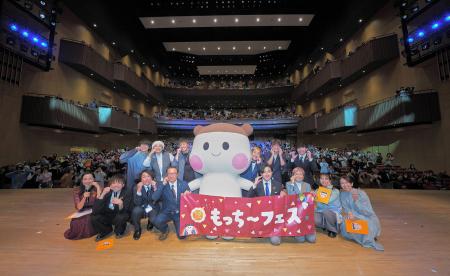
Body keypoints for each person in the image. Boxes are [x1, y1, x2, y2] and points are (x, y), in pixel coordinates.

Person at [339, 176, 384, 251]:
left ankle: (368, 235)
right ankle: (363, 234)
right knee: (344, 224)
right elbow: (346, 208)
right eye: (342, 183)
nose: (344, 185)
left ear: (352, 183)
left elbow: (368, 211)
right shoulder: (342, 195)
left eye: (347, 182)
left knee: (366, 225)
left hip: (365, 216)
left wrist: (356, 201)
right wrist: (349, 213)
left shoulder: (361, 193)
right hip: (353, 215)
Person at [249, 166, 286, 246]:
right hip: (261, 216)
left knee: (275, 241)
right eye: (264, 172)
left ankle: (272, 232)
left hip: (274, 217)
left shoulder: (278, 184)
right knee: (257, 236)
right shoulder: (257, 184)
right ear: (261, 174)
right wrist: (254, 185)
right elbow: (248, 198)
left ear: (272, 173)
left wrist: (283, 194)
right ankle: (263, 230)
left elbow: (283, 202)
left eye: (269, 171)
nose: (267, 174)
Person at [152, 167, 190, 240]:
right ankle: (165, 229)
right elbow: (154, 197)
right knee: (156, 221)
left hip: (179, 213)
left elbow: (189, 200)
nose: (171, 176)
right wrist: (163, 184)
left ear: (177, 174)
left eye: (174, 173)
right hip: (167, 211)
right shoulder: (162, 184)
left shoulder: (184, 184)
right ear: (167, 175)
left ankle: (180, 225)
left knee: (182, 236)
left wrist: (188, 195)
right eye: (169, 173)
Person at [91, 175, 132, 241]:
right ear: (110, 185)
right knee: (94, 217)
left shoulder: (127, 192)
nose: (115, 185)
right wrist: (103, 194)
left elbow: (126, 211)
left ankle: (119, 231)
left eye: (118, 183)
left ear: (123, 185)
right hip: (107, 214)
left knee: (121, 217)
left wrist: (121, 204)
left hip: (119, 214)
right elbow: (95, 210)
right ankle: (105, 231)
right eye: (113, 183)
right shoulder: (106, 191)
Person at [64, 172, 102, 240]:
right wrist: (84, 197)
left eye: (90, 178)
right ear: (82, 180)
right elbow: (79, 207)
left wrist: (98, 187)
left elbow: (99, 203)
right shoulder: (77, 190)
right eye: (85, 179)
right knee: (76, 222)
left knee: (88, 220)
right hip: (83, 210)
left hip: (95, 209)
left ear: (94, 180)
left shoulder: (97, 188)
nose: (88, 181)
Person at [285, 167, 316, 243]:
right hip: (295, 211)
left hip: (305, 212)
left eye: (301, 174)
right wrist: (292, 183)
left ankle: (308, 230)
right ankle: (297, 231)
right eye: (296, 174)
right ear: (293, 175)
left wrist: (313, 196)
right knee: (301, 240)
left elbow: (308, 200)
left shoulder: (307, 185)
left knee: (312, 240)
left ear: (303, 176)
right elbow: (291, 196)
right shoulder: (288, 184)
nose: (299, 176)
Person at [131, 170, 160, 240]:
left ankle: (150, 222)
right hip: (142, 206)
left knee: (154, 219)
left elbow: (158, 200)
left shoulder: (157, 185)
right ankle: (137, 229)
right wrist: (139, 190)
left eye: (148, 176)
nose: (146, 178)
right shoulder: (136, 187)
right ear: (141, 179)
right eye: (144, 177)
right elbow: (137, 203)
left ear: (152, 178)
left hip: (153, 206)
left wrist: (155, 189)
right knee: (135, 211)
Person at [315, 173, 341, 238]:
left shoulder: (335, 191)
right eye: (322, 178)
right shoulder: (317, 190)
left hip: (333, 213)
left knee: (326, 211)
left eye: (326, 179)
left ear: (330, 180)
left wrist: (329, 188)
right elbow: (318, 204)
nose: (324, 180)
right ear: (319, 180)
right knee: (311, 215)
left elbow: (327, 200)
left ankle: (332, 230)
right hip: (321, 212)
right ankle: (325, 225)